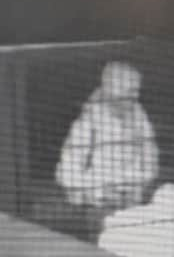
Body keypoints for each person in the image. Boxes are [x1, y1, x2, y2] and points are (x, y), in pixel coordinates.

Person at [55, 61, 159, 211]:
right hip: (98, 205)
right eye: (131, 91)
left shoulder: (139, 116)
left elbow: (151, 160)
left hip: (132, 202)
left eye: (137, 91)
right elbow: (67, 174)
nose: (136, 96)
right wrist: (101, 188)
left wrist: (136, 182)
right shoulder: (88, 121)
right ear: (113, 89)